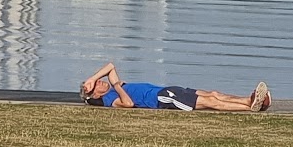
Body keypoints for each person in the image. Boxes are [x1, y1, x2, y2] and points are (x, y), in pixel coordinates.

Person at [79, 62, 271, 112]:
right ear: (94, 94)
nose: (101, 81)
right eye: (97, 84)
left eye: (98, 80)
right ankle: (249, 107)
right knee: (211, 102)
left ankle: (250, 100)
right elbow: (128, 104)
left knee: (212, 93)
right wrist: (118, 87)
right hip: (163, 99)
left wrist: (91, 77)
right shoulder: (109, 99)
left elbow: (110, 67)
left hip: (165, 90)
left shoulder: (111, 88)